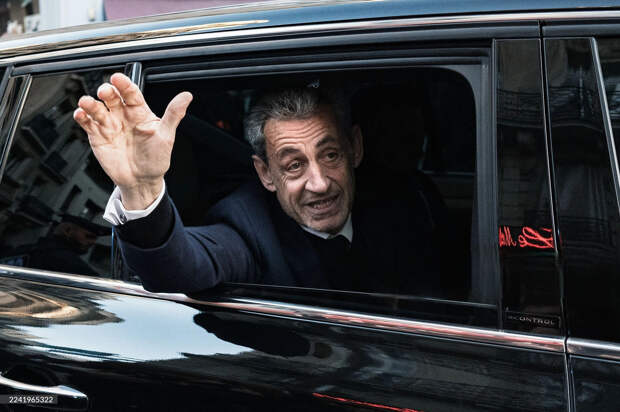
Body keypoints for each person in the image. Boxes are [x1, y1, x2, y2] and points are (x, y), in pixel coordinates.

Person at [73, 73, 440, 294]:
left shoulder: (398, 201)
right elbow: (177, 267)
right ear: (266, 174)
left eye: (331, 156)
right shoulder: (247, 227)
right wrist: (142, 188)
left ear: (355, 148)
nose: (319, 183)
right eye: (294, 165)